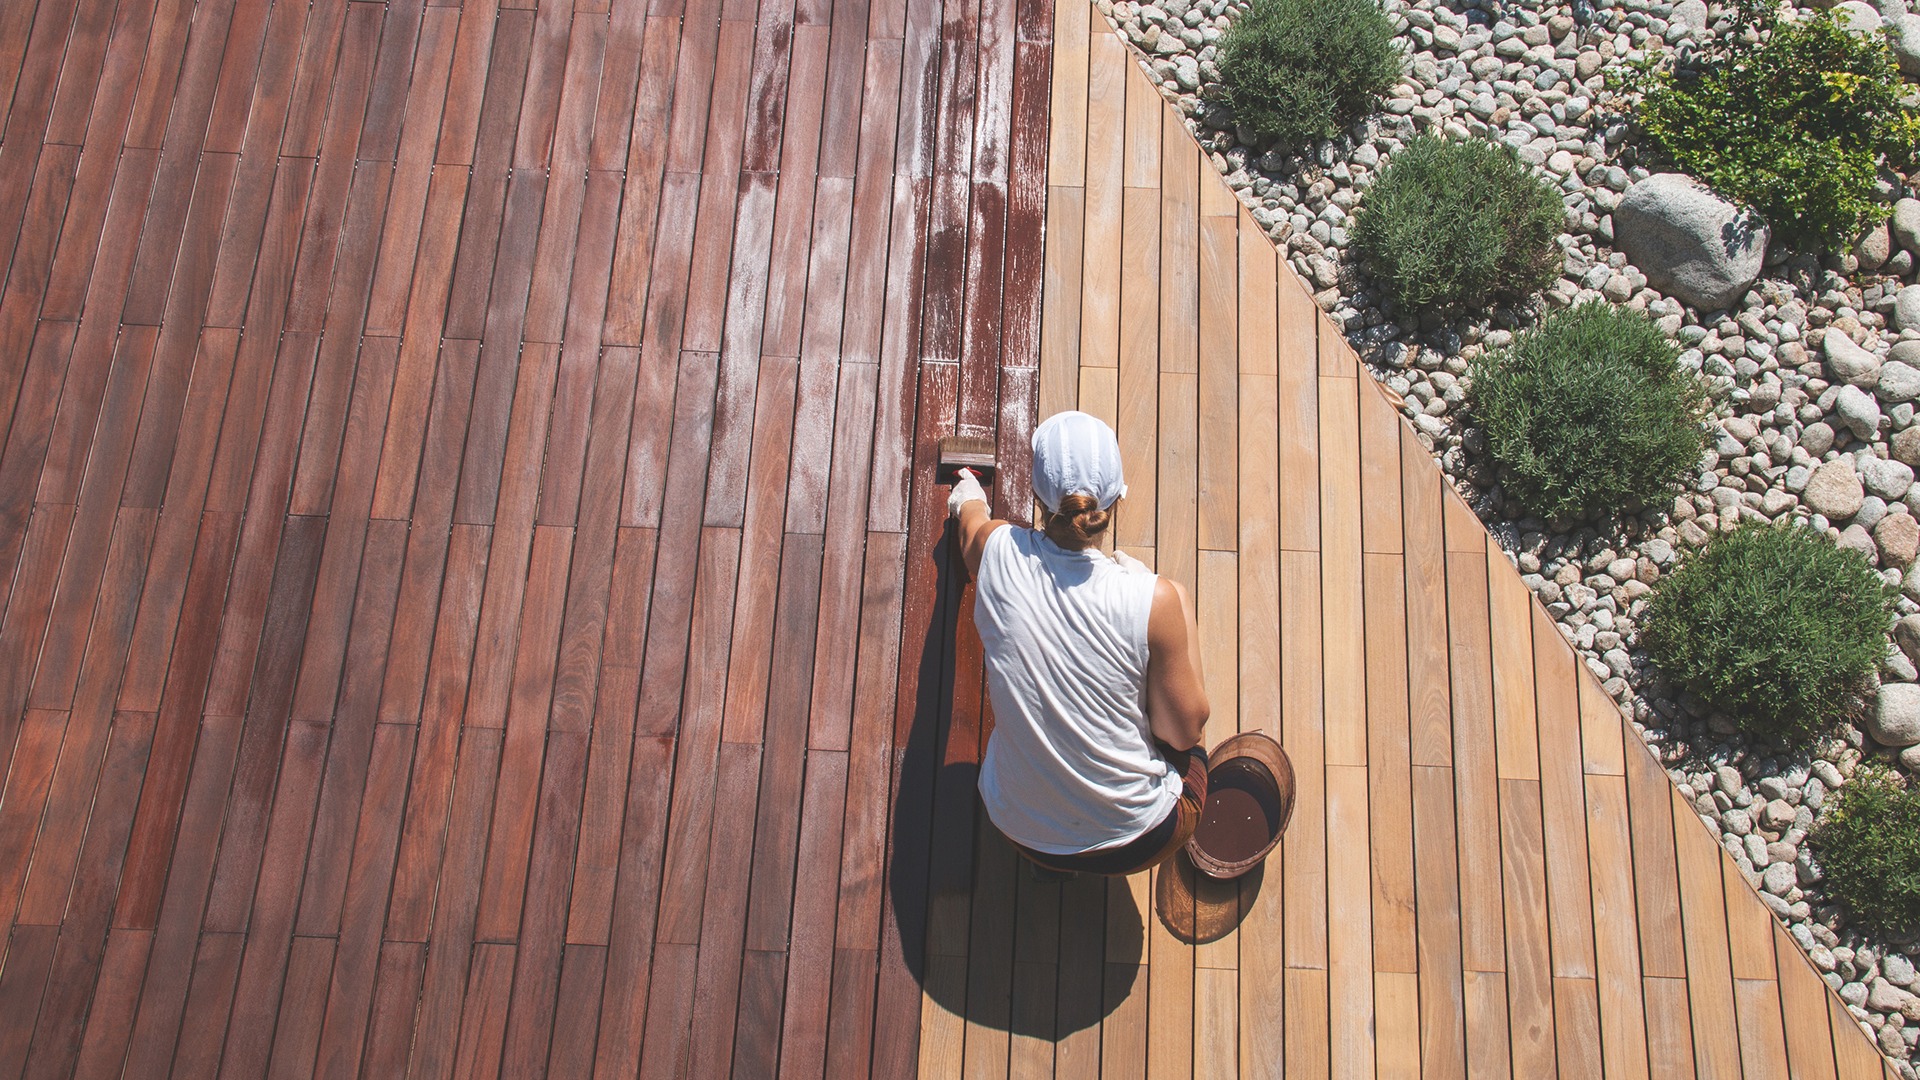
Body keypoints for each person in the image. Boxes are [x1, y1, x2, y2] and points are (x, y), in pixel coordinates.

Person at [946, 411, 1212, 876]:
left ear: (1037, 497)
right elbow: (1184, 733)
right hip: (1142, 837)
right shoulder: (1151, 598)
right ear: (1115, 500)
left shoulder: (998, 552)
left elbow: (970, 529)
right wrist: (1167, 599)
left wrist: (968, 493)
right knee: (1185, 706)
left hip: (1020, 829)